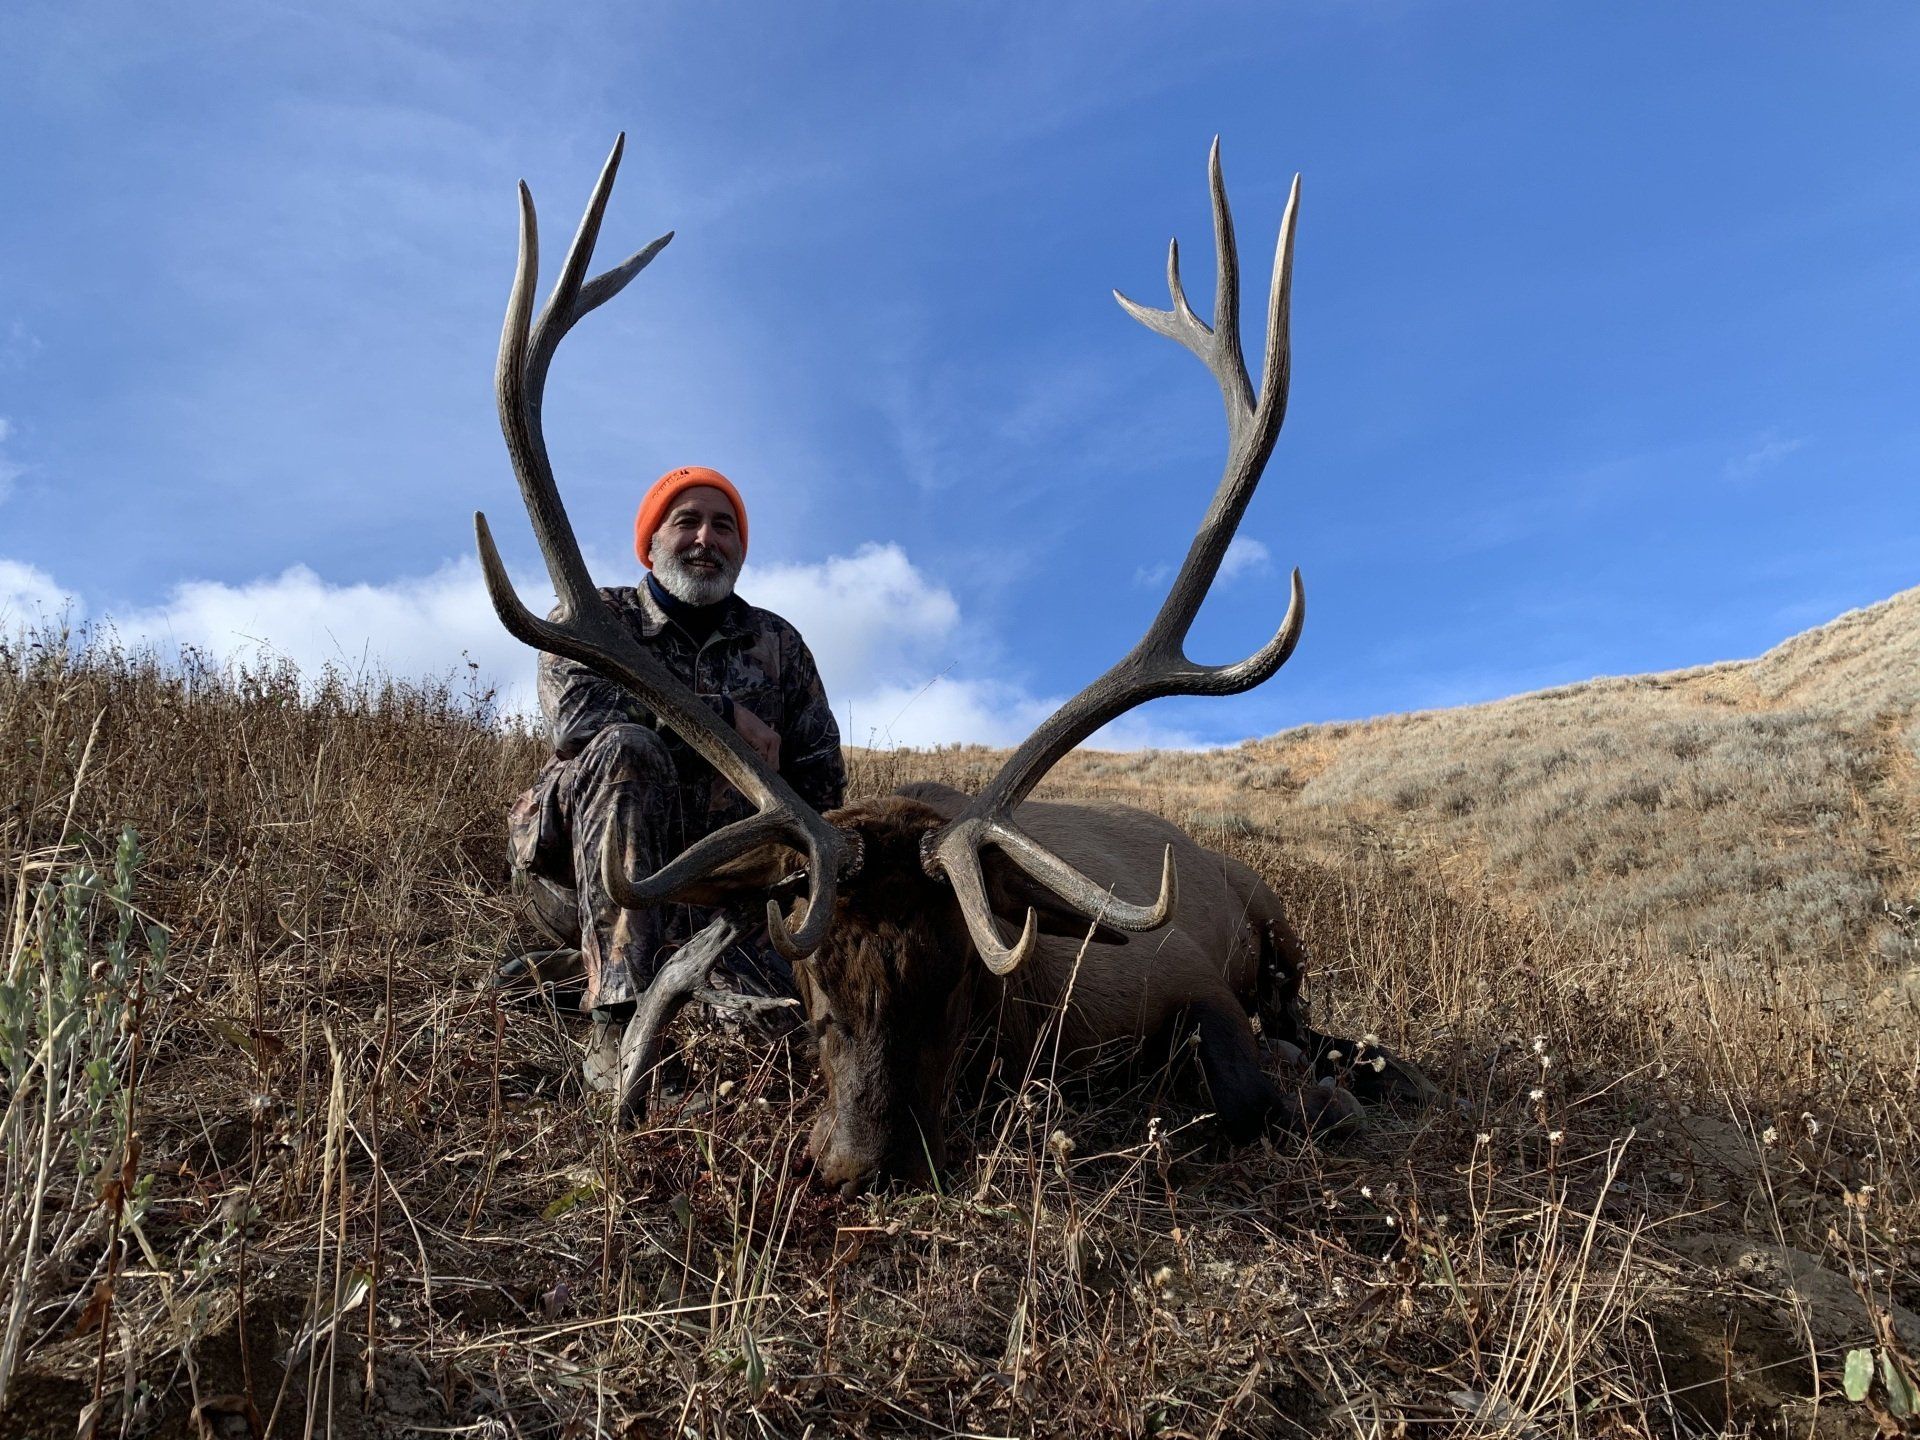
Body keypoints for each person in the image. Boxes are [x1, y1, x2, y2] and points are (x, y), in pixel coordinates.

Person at [506, 465, 845, 1085]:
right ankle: (618, 1025)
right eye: (686, 521)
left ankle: (589, 972)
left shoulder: (778, 644)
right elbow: (580, 723)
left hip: (720, 892)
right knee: (625, 748)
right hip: (583, 876)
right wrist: (722, 721)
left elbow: (823, 786)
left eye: (724, 526)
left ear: (740, 548)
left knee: (791, 1047)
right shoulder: (596, 617)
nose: (705, 539)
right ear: (651, 541)